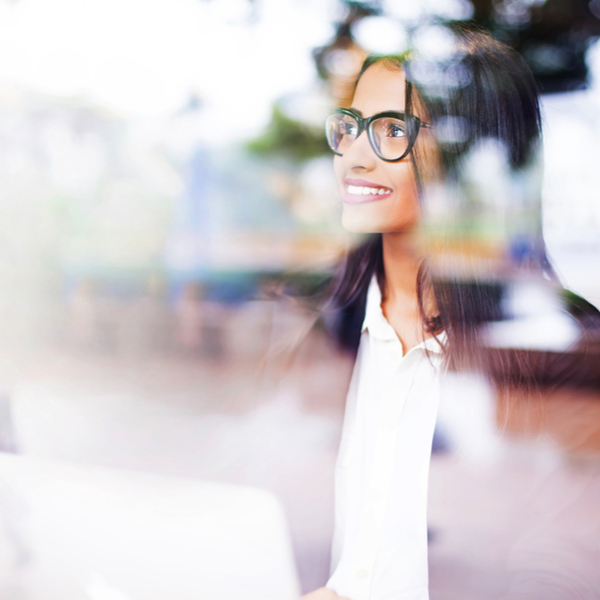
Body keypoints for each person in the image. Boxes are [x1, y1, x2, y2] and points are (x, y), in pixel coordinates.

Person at [301, 25, 556, 600]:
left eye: (391, 130)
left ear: (464, 152)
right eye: (350, 127)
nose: (355, 156)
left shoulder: (524, 361)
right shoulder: (338, 333)